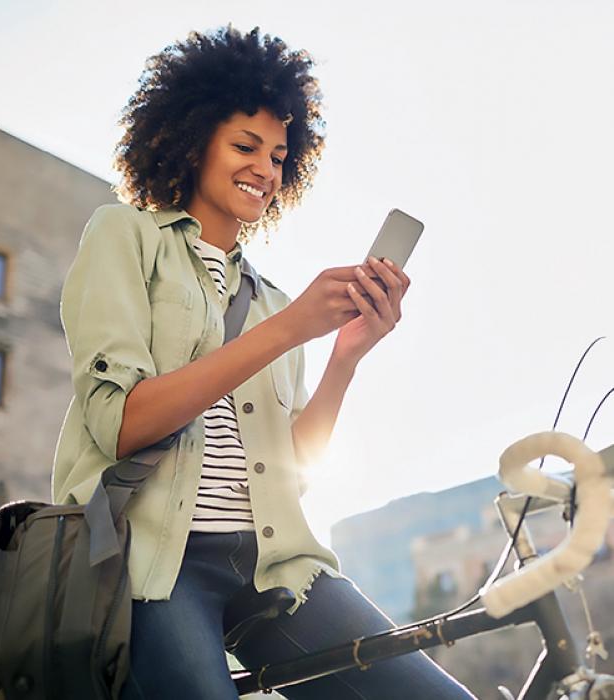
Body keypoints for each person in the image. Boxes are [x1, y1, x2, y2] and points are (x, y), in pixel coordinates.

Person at [52, 24, 475, 700]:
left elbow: (290, 472)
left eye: (279, 156)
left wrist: (345, 358)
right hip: (154, 560)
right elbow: (120, 424)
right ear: (193, 141)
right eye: (245, 146)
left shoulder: (273, 299)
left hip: (276, 563)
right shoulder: (124, 236)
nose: (265, 169)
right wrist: (286, 330)